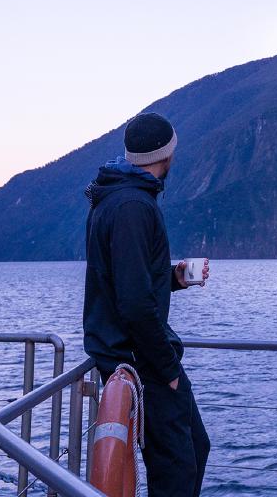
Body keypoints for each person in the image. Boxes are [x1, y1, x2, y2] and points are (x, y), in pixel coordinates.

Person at [83, 111, 210, 497]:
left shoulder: (118, 198)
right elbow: (135, 305)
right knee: (176, 470)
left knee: (194, 448)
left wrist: (173, 278)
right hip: (141, 361)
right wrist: (167, 368)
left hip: (138, 355)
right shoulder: (133, 207)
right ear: (166, 155)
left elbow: (128, 280)